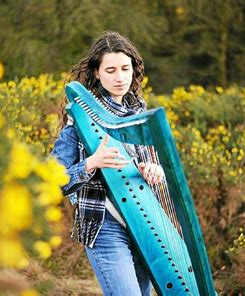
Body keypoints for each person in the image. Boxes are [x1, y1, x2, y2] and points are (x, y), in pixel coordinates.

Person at [51, 31, 164, 295]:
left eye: (125, 68)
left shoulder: (138, 109)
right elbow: (50, 179)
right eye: (110, 70)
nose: (119, 77)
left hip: (144, 220)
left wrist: (154, 170)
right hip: (104, 224)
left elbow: (151, 161)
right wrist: (90, 164)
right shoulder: (79, 114)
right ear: (97, 73)